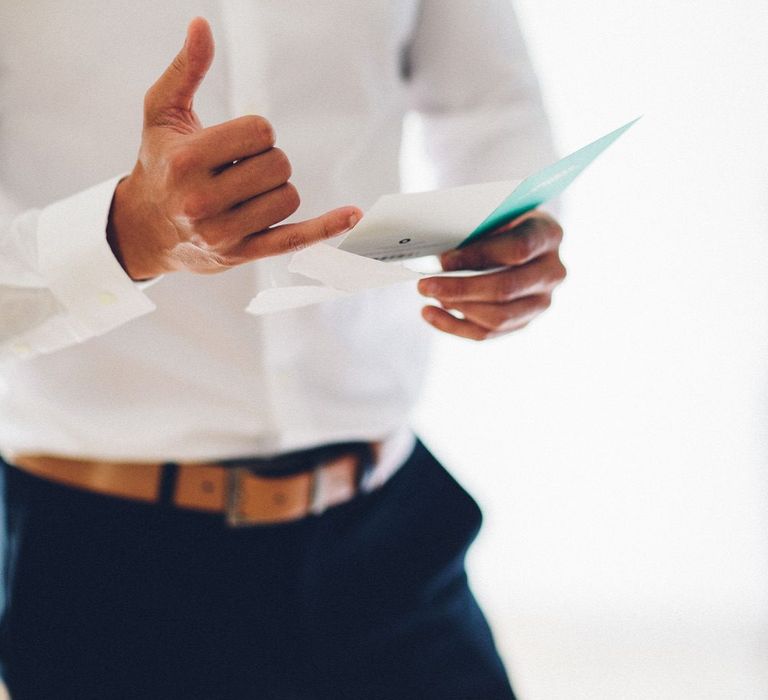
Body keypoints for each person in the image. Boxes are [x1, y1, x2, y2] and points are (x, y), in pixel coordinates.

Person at [0, 2, 565, 698]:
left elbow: (492, 106)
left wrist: (514, 227)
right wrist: (122, 237)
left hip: (391, 534)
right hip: (109, 571)